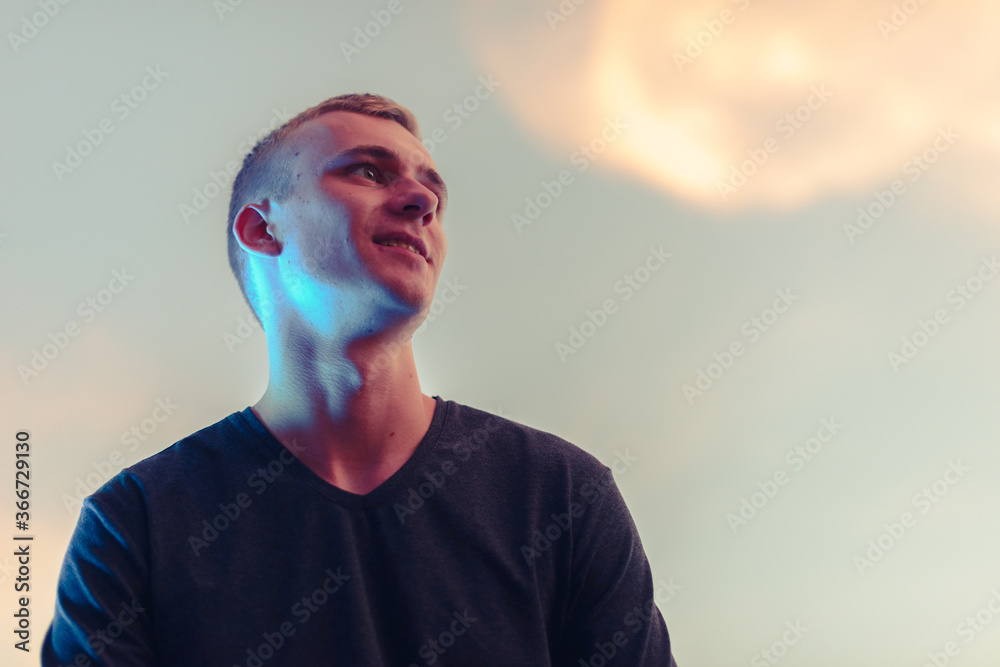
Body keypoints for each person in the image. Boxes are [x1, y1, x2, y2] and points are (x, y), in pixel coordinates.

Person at [43, 93, 678, 666]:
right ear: (262, 229)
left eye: (433, 190)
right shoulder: (133, 526)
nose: (422, 200)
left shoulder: (563, 495)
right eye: (368, 172)